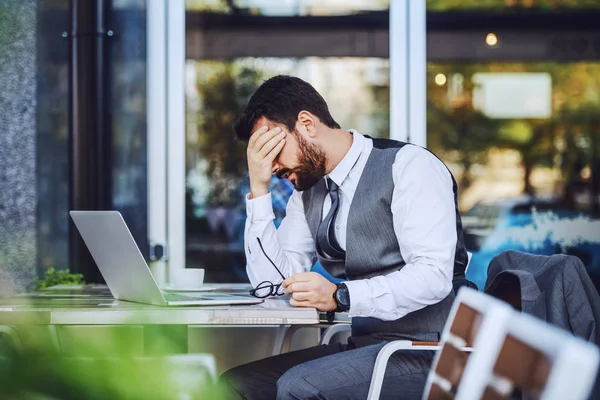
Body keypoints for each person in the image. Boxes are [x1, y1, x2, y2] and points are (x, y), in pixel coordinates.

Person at [221, 75, 470, 399]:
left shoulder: (409, 166)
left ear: (307, 124)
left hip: (432, 351)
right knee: (235, 386)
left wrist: (341, 295)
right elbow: (271, 285)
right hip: (366, 347)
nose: (272, 165)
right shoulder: (307, 192)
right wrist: (259, 188)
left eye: (272, 148)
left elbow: (434, 276)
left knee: (300, 388)